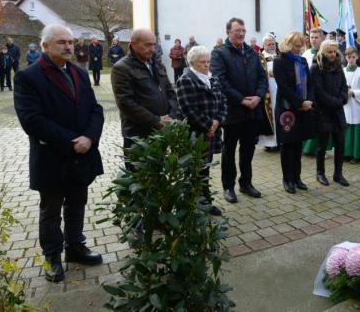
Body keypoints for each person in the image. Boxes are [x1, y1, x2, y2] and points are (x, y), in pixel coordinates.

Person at [13, 24, 105, 283]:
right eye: (61, 42)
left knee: (77, 204)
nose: (68, 47)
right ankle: (52, 256)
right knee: (51, 210)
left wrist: (89, 137)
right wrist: (71, 141)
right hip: (52, 156)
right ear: (44, 46)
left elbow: (95, 109)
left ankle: (75, 247)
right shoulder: (28, 77)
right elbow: (32, 120)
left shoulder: (79, 73)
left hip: (82, 154)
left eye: (70, 42)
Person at [210, 18, 268, 203]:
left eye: (243, 30)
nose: (241, 33)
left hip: (253, 110)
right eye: (237, 31)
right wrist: (241, 99)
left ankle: (246, 183)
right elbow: (220, 81)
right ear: (228, 32)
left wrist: (258, 96)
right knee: (229, 150)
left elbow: (262, 77)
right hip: (232, 111)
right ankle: (228, 187)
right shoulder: (219, 53)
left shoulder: (251, 52)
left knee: (248, 149)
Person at [176, 45, 228, 216]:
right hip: (196, 133)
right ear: (191, 63)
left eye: (208, 61)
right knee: (193, 170)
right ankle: (192, 205)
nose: (206, 65)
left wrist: (218, 121)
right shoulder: (186, 80)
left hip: (212, 132)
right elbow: (188, 108)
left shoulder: (213, 78)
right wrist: (208, 125)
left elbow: (223, 102)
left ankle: (205, 202)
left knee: (205, 168)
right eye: (202, 62)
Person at [111, 28, 178, 157]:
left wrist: (171, 116)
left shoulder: (158, 65)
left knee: (160, 168)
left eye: (153, 44)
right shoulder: (122, 68)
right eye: (147, 45)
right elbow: (126, 103)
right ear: (133, 44)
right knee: (138, 170)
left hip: (161, 132)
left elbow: (170, 93)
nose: (152, 49)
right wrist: (157, 121)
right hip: (138, 136)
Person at [273, 31, 315, 194]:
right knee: (288, 145)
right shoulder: (279, 61)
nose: (299, 49)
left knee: (298, 145)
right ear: (288, 44)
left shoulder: (302, 61)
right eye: (296, 46)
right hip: (287, 109)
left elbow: (310, 84)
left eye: (301, 46)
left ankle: (297, 178)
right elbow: (283, 87)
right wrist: (300, 102)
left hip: (303, 109)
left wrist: (309, 100)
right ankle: (287, 179)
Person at [311, 40, 350, 187]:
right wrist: (336, 102)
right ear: (323, 52)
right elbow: (319, 91)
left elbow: (344, 86)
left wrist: (343, 98)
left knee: (340, 143)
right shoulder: (316, 68)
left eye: (334, 51)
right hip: (323, 111)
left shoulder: (338, 66)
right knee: (322, 144)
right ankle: (320, 173)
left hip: (337, 111)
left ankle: (338, 174)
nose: (333, 54)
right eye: (329, 52)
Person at [302, 28, 330, 156]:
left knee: (322, 121)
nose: (313, 40)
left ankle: (320, 149)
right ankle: (307, 148)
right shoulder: (306, 54)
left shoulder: (327, 53)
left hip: (322, 91)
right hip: (308, 91)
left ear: (322, 38)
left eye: (316, 37)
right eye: (311, 37)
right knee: (309, 119)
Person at [343, 47, 360, 164]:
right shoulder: (342, 71)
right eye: (349, 57)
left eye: (353, 57)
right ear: (345, 57)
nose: (351, 59)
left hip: (357, 104)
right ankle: (347, 153)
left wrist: (353, 92)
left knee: (357, 130)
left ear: (357, 57)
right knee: (347, 129)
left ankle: (357, 155)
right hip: (346, 104)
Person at [258, 33, 280, 152]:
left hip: (280, 90)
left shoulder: (279, 55)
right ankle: (270, 143)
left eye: (273, 44)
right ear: (264, 45)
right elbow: (257, 73)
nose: (271, 46)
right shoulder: (260, 58)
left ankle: (280, 141)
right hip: (268, 92)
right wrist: (268, 73)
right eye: (269, 44)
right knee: (269, 116)